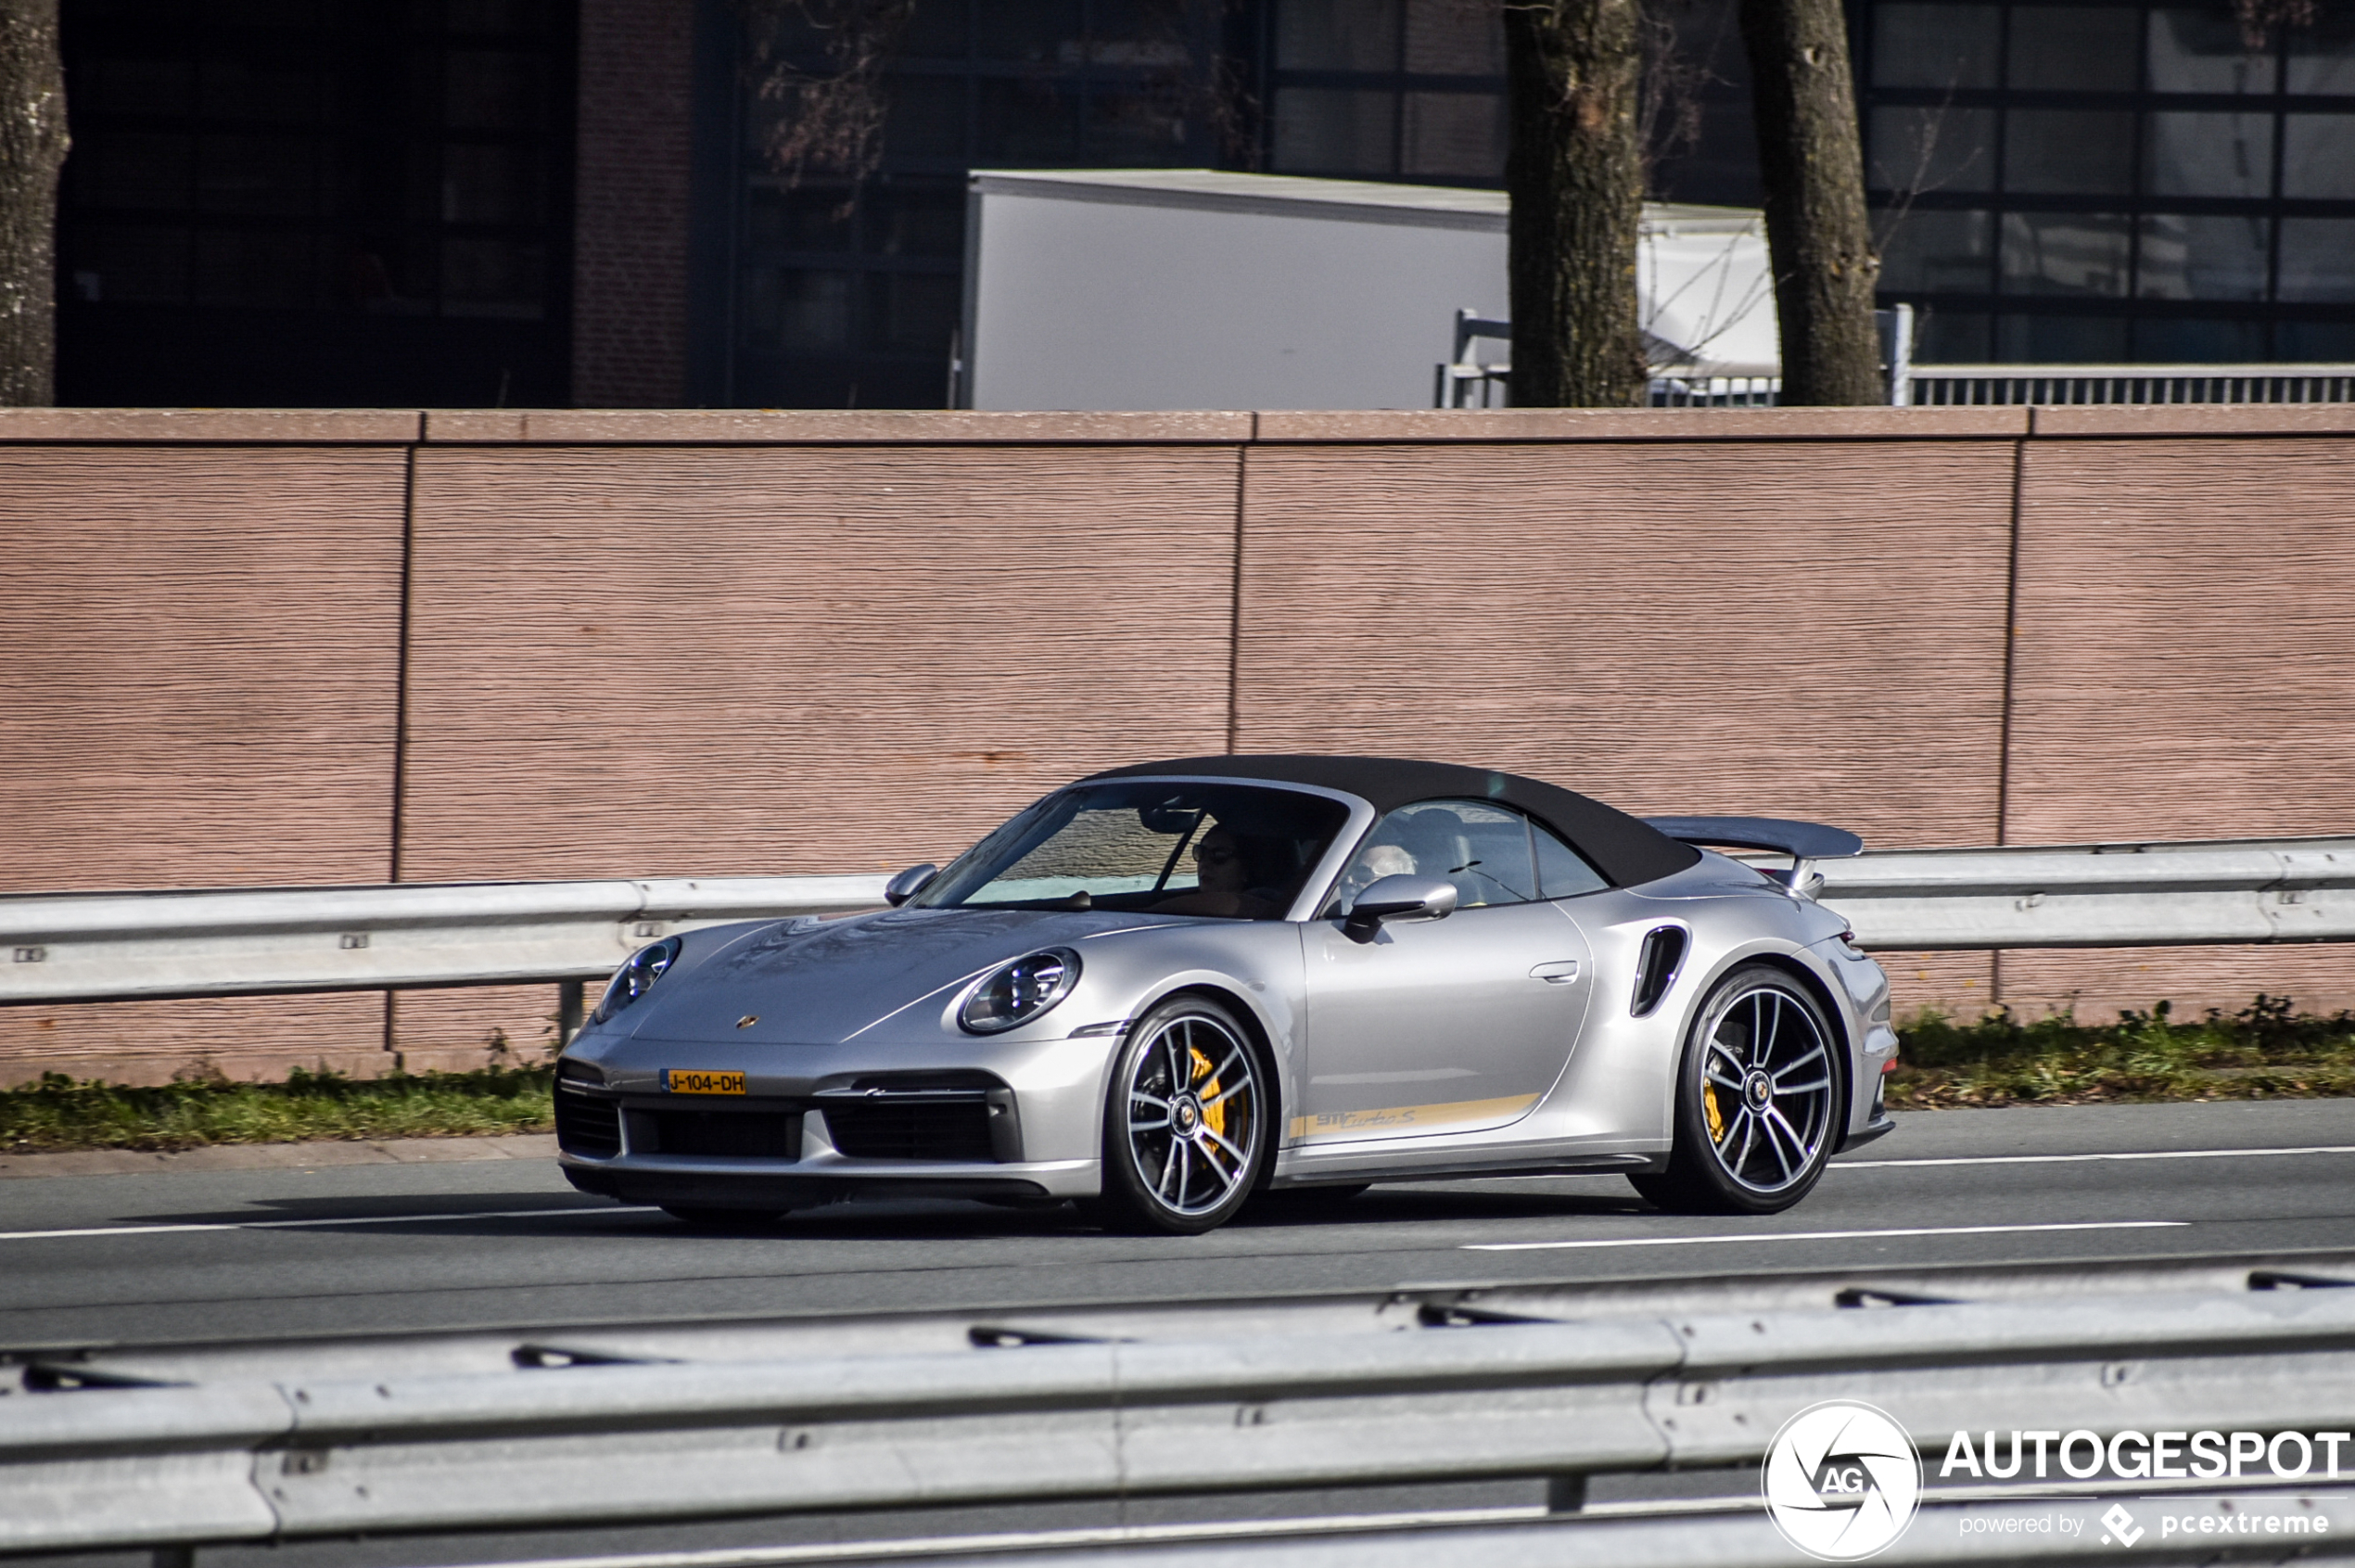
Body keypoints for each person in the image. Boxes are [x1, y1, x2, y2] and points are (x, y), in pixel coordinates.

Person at [1150, 825, 1284, 919]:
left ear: (1245, 869)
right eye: (1201, 852)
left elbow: (1229, 903)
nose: (1205, 863)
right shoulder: (1198, 908)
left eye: (1219, 855)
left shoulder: (1261, 902)